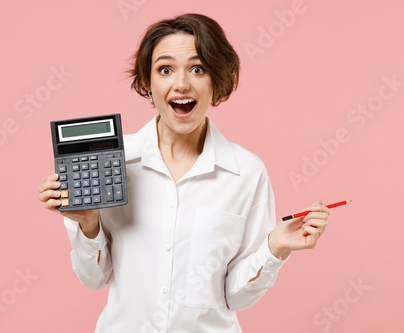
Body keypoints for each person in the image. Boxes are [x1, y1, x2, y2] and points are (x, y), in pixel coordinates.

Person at [38, 13, 330, 333]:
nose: (181, 84)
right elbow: (93, 278)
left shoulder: (246, 172)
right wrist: (88, 224)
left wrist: (274, 247)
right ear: (147, 84)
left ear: (218, 80)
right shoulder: (112, 164)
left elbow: (237, 298)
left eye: (198, 68)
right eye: (165, 69)